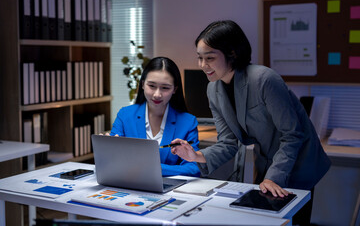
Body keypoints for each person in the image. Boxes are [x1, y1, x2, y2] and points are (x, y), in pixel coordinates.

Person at [171, 20, 331, 225]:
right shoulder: (214, 90)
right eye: (200, 58)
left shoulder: (264, 79)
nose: (202, 65)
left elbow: (293, 135)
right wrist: (196, 155)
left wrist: (273, 177)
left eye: (209, 58)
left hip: (300, 161)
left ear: (232, 53)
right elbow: (228, 142)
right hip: (268, 162)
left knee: (293, 220)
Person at [110, 56, 200, 177]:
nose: (157, 94)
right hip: (130, 185)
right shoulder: (125, 115)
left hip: (170, 190)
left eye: (165, 88)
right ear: (142, 85)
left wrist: (152, 168)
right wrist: (107, 150)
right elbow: (112, 160)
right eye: (151, 86)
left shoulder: (188, 122)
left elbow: (193, 168)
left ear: (175, 89)